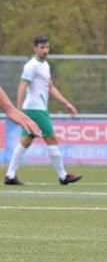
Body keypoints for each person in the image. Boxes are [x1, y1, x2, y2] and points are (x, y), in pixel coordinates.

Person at [4, 35, 82, 186]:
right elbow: (22, 86)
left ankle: (10, 175)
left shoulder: (45, 65)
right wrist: (18, 110)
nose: (45, 50)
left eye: (47, 47)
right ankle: (63, 176)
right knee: (51, 138)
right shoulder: (31, 66)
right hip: (35, 109)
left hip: (35, 109)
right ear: (35, 48)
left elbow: (50, 87)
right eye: (42, 47)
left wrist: (66, 103)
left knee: (25, 141)